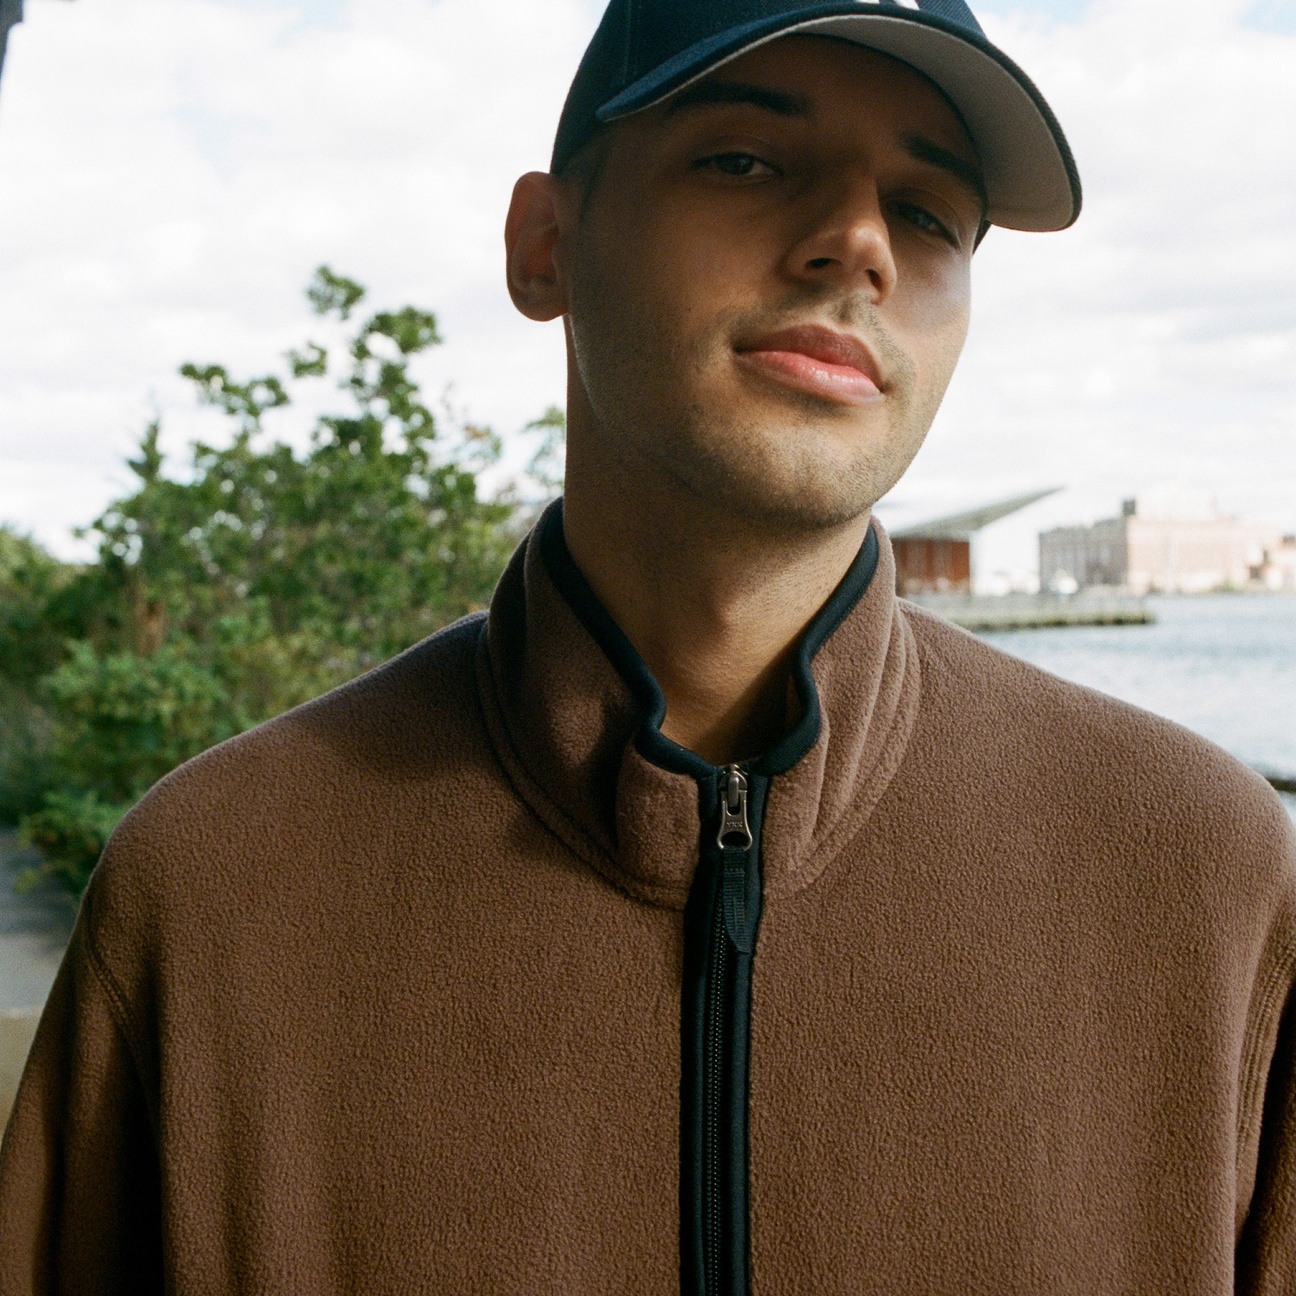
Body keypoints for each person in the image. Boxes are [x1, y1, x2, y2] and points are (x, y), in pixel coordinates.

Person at [1, 0, 1292, 1290]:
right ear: (545, 245)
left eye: (929, 213)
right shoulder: (217, 890)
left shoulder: (1207, 883)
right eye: (745, 160)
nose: (856, 244)